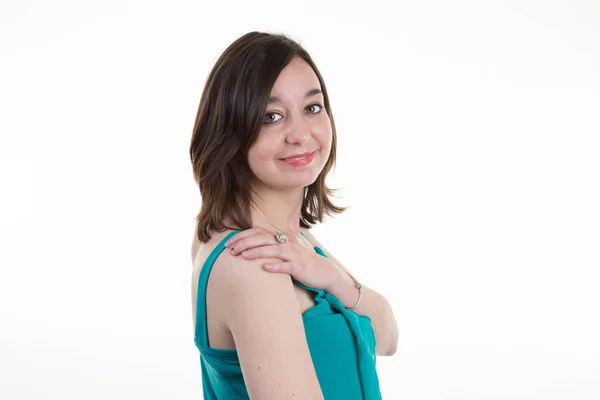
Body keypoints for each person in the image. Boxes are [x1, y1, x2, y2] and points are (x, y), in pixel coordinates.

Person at [189, 31, 398, 399]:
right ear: (231, 131)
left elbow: (388, 337)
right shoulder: (256, 261)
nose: (300, 134)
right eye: (271, 116)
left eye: (312, 108)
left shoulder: (288, 240)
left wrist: (332, 279)